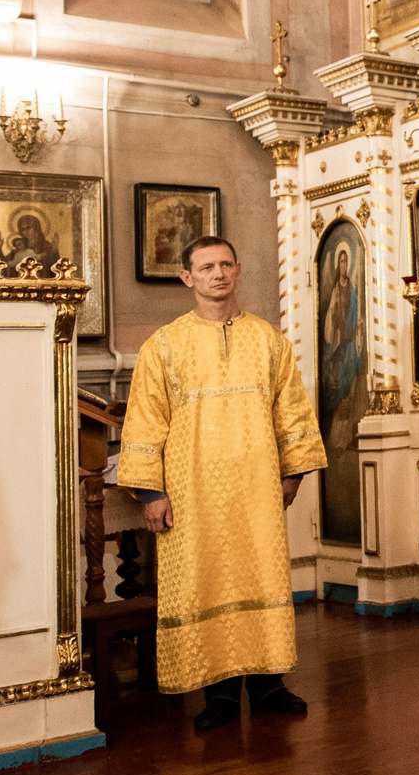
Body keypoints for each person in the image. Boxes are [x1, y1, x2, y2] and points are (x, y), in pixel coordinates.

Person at [119, 236, 325, 733]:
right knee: (205, 582)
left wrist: (292, 473)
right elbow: (145, 420)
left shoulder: (269, 340)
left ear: (238, 270)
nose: (218, 273)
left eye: (225, 264)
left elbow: (291, 411)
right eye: (206, 266)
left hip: (257, 488)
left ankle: (269, 685)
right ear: (187, 277)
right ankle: (219, 693)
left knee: (262, 577)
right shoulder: (164, 345)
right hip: (192, 492)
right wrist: (152, 492)